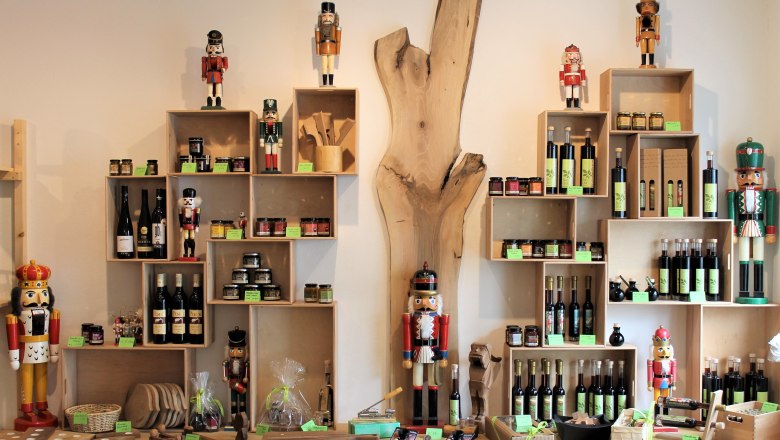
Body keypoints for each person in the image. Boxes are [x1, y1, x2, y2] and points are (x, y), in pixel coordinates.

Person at [6, 259, 60, 430]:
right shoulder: (15, 317)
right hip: (25, 350)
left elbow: (54, 332)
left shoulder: (51, 313)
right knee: (27, 378)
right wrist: (14, 356)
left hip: (42, 349)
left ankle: (42, 406)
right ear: (18, 295)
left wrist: (54, 351)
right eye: (30, 294)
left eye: (42, 293)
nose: (38, 298)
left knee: (42, 377)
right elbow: (13, 335)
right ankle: (27, 408)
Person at [727, 138, 776, 302]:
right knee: (743, 259)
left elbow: (771, 212)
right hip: (742, 227)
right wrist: (733, 231)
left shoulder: (766, 194)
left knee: (759, 258)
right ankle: (743, 291)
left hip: (759, 227)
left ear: (763, 175)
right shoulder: (735, 194)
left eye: (756, 174)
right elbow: (732, 212)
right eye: (743, 174)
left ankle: (759, 290)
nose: (750, 179)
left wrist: (770, 231)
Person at [402, 262, 449, 425]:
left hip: (434, 351)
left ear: (437, 300)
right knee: (417, 382)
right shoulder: (410, 318)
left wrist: (444, 355)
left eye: (430, 298)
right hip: (417, 351)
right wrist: (407, 356)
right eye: (419, 299)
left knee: (433, 383)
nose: (424, 303)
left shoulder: (440, 318)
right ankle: (417, 417)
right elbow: (407, 337)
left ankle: (433, 417)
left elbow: (444, 337)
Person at [647, 325, 675, 415]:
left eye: (667, 349)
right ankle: (657, 417)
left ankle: (665, 418)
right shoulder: (652, 362)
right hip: (657, 380)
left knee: (666, 400)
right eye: (660, 349)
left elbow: (673, 371)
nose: (664, 352)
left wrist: (674, 384)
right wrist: (650, 384)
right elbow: (650, 372)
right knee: (656, 400)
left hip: (667, 381)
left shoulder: (671, 362)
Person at [223, 327, 249, 418]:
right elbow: (225, 368)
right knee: (233, 402)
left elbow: (246, 370)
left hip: (241, 382)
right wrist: (225, 376)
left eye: (239, 350)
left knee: (242, 402)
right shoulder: (228, 362)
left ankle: (243, 419)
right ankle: (234, 419)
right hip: (233, 382)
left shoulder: (245, 363)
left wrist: (246, 378)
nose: (235, 353)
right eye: (232, 350)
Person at [315, 2, 341, 86]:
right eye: (324, 16)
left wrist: (337, 51)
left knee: (331, 66)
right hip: (323, 48)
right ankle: (324, 84)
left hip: (332, 48)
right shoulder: (319, 28)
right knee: (323, 66)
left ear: (334, 17)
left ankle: (331, 83)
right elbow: (317, 41)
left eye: (330, 16)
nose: (327, 18)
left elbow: (338, 40)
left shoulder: (335, 28)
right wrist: (318, 51)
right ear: (321, 17)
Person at [202, 30, 228, 108]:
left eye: (216, 47)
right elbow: (204, 66)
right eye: (211, 47)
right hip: (209, 74)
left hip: (218, 75)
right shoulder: (205, 59)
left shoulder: (223, 58)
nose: (213, 50)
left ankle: (218, 103)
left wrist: (224, 69)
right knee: (209, 89)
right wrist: (204, 75)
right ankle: (209, 103)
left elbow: (226, 65)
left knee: (218, 88)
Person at [259, 99, 284, 173]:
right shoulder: (263, 123)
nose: (270, 115)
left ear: (276, 114)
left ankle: (275, 167)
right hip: (267, 140)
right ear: (264, 114)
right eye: (267, 113)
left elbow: (279, 132)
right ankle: (267, 168)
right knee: (267, 153)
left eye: (273, 113)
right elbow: (261, 133)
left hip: (274, 140)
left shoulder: (278, 123)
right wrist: (261, 140)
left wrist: (280, 140)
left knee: (274, 153)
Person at [559, 44, 586, 109]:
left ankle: (576, 106)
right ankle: (568, 106)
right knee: (568, 93)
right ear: (565, 56)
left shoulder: (581, 66)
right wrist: (562, 80)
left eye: (576, 54)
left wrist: (583, 80)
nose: (573, 57)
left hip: (577, 80)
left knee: (576, 93)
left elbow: (582, 73)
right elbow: (561, 73)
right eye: (570, 54)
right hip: (568, 80)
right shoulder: (563, 66)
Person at [178, 188, 201, 260]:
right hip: (185, 225)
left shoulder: (196, 209)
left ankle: (192, 253)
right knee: (186, 238)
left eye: (190, 200)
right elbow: (180, 217)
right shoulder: (182, 210)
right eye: (185, 200)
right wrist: (181, 225)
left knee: (192, 238)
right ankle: (185, 253)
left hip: (192, 225)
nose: (188, 202)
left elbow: (197, 218)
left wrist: (197, 226)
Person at [636, 1, 660, 68]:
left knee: (651, 49)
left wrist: (657, 38)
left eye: (650, 4)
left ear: (655, 7)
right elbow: (637, 29)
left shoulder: (656, 17)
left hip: (651, 34)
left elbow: (657, 28)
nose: (647, 7)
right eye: (643, 5)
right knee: (643, 49)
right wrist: (637, 39)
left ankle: (651, 63)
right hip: (643, 34)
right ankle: (643, 63)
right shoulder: (639, 18)